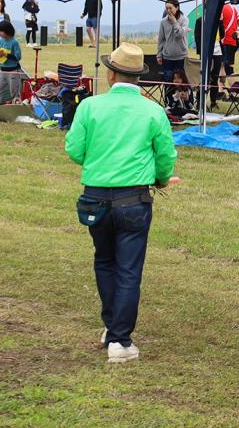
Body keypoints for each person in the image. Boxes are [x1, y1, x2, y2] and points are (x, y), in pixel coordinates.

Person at [64, 42, 176, 364]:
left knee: (104, 261)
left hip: (95, 197)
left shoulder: (90, 107)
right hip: (133, 199)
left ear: (111, 74)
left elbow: (74, 150)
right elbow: (165, 156)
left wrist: (99, 160)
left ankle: (112, 328)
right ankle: (119, 340)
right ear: (139, 77)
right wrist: (161, 179)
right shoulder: (153, 111)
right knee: (128, 270)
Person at [157, 0, 188, 107]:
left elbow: (180, 35)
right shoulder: (163, 22)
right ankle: (169, 104)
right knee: (168, 81)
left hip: (181, 57)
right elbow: (161, 39)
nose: (168, 10)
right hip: (167, 57)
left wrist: (175, 22)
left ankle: (182, 104)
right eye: (166, 8)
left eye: (170, 8)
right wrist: (159, 54)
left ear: (177, 7)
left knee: (181, 82)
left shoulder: (184, 20)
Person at [0, 19, 25, 103]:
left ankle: (16, 107)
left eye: (1, 31)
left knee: (14, 92)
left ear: (7, 31)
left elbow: (18, 57)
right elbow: (0, 54)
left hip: (13, 71)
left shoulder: (14, 42)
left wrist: (5, 54)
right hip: (2, 70)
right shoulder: (1, 41)